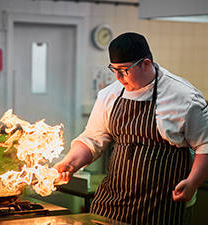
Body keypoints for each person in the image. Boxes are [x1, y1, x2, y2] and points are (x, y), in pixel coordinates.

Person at [54, 32, 208, 225]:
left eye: (124, 70)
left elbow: (205, 146)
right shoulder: (109, 95)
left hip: (162, 205)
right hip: (113, 203)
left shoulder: (185, 97)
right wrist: (70, 163)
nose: (118, 77)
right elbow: (92, 138)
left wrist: (193, 182)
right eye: (114, 69)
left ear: (145, 64)